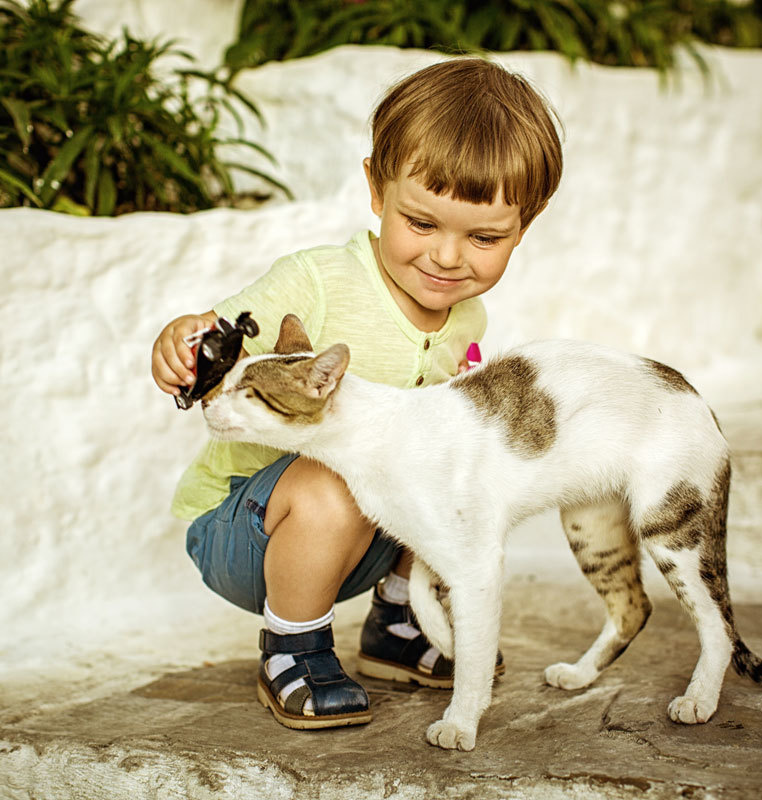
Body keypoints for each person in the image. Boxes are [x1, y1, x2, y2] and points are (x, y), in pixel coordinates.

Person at [150, 57, 563, 730]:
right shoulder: (317, 279)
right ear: (376, 189)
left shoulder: (466, 320)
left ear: (526, 223)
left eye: (484, 237)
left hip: (363, 534)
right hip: (247, 530)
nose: (448, 257)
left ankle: (398, 621)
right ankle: (293, 647)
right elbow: (224, 345)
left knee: (453, 449)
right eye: (422, 223)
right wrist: (183, 344)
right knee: (334, 472)